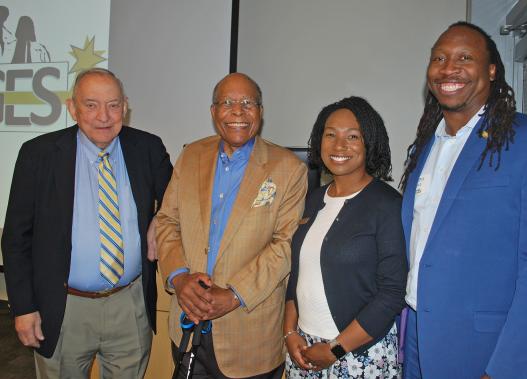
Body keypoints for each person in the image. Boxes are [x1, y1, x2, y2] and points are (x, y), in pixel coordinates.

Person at [400, 22, 527, 379]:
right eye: (439, 58)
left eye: (465, 57)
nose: (449, 68)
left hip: (489, 351)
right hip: (419, 339)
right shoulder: (425, 148)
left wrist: (506, 370)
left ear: (492, 70)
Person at [1, 68, 173, 378]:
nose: (104, 116)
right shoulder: (38, 155)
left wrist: (158, 219)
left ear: (126, 106)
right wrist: (24, 308)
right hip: (64, 307)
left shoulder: (147, 148)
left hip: (129, 303)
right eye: (91, 104)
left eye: (114, 104)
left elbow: (178, 200)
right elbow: (15, 239)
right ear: (72, 108)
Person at [156, 72, 308, 378]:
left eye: (247, 103)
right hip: (188, 328)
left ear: (260, 112)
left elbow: (284, 244)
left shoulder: (288, 169)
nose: (237, 111)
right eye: (227, 102)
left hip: (250, 337)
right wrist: (180, 278)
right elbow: (167, 222)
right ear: (214, 112)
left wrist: (235, 294)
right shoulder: (190, 156)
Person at [284, 96, 407, 378]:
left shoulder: (387, 205)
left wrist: (335, 350)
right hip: (304, 350)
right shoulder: (313, 200)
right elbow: (297, 275)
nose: (340, 146)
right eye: (331, 135)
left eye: (353, 136)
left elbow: (392, 294)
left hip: (357, 355)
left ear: (370, 143)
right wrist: (290, 332)